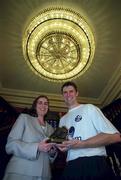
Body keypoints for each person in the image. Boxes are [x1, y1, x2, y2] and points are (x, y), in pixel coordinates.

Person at [56, 81, 121, 180]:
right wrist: (60, 147)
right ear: (62, 96)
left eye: (71, 91)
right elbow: (65, 146)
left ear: (77, 93)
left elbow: (115, 137)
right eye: (65, 92)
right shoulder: (62, 120)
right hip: (71, 165)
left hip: (94, 162)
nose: (68, 94)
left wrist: (82, 144)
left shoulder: (89, 108)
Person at [3, 95, 57, 180]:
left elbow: (51, 157)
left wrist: (52, 152)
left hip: (45, 175)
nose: (43, 106)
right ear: (35, 106)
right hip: (21, 172)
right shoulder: (24, 118)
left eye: (46, 104)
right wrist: (37, 147)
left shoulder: (51, 129)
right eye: (40, 103)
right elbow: (10, 145)